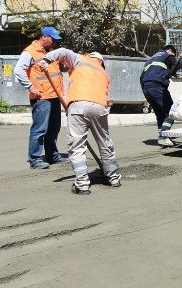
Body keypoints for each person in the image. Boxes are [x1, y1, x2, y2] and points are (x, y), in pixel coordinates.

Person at [38, 49, 122, 195]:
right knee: (104, 142)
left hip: (78, 105)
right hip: (100, 107)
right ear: (101, 62)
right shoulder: (104, 73)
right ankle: (114, 177)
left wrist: (46, 60)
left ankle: (82, 184)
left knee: (77, 146)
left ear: (90, 57)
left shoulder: (81, 59)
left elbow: (62, 52)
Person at [13, 26, 65, 169]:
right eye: (52, 39)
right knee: (40, 129)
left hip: (55, 95)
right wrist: (30, 87)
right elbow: (18, 70)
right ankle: (35, 159)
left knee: (54, 128)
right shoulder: (30, 52)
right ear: (44, 37)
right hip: (41, 97)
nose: (54, 42)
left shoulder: (51, 52)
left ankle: (52, 155)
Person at [140, 45, 182, 146]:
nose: (173, 57)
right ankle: (163, 137)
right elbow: (181, 65)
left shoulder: (150, 59)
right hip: (157, 87)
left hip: (146, 88)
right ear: (170, 50)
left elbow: (143, 77)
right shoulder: (167, 55)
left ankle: (163, 135)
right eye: (173, 55)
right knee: (172, 111)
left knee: (160, 114)